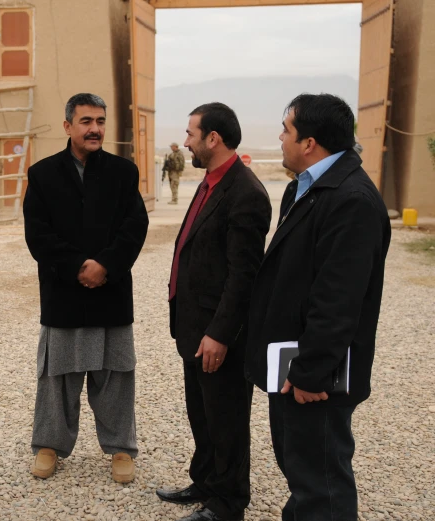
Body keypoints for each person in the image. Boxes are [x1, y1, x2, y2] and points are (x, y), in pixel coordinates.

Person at [245, 93, 390, 521]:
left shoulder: (351, 200)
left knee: (321, 486)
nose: (280, 137)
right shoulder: (305, 189)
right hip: (292, 368)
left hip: (315, 380)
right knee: (303, 473)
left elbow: (338, 300)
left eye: (286, 129)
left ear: (309, 142)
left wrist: (310, 372)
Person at [23, 93, 149, 484]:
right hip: (63, 292)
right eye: (86, 121)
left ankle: (121, 448)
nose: (95, 129)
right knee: (56, 375)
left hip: (111, 291)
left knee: (116, 374)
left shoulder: (123, 173)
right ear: (67, 126)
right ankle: (49, 445)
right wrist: (78, 267)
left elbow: (135, 227)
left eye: (100, 121)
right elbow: (37, 235)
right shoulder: (42, 174)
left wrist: (106, 265)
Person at [157, 103, 271, 521]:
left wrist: (221, 333)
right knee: (202, 414)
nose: (185, 141)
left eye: (190, 133)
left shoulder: (246, 193)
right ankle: (205, 482)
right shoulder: (210, 182)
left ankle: (228, 502)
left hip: (218, 334)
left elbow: (244, 275)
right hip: (194, 327)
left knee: (227, 419)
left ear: (213, 138)